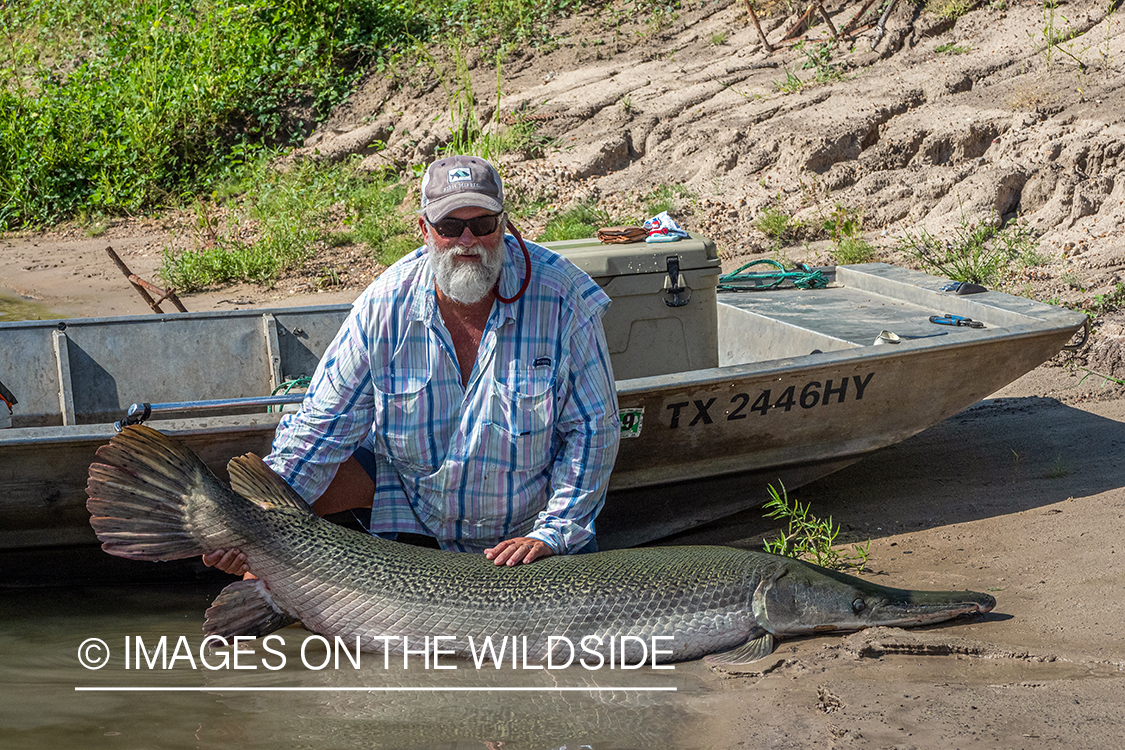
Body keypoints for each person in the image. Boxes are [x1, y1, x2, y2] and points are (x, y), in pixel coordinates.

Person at [204, 154, 620, 575]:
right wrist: (250, 522)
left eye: (482, 224)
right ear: (424, 229)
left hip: (528, 531)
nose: (468, 241)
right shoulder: (383, 306)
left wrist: (553, 532)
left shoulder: (563, 296)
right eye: (450, 227)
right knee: (281, 508)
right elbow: (319, 430)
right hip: (416, 513)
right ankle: (266, 573)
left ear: (504, 225)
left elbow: (594, 429)